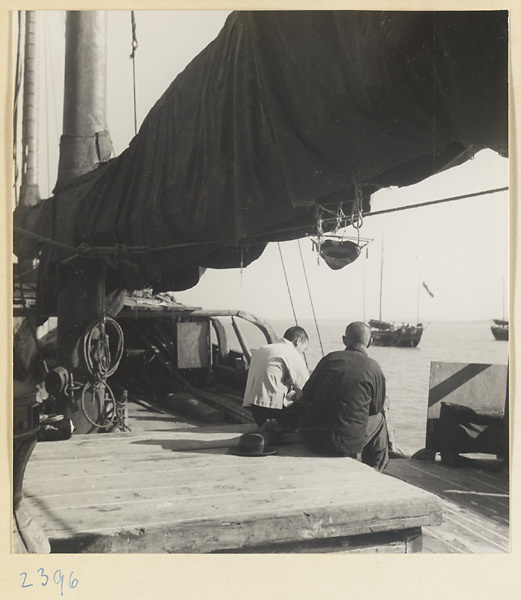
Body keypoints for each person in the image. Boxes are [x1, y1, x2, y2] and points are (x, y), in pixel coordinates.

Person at [299, 321, 389, 471]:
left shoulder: (329, 359)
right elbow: (375, 408)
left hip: (313, 439)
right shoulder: (374, 368)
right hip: (347, 445)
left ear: (344, 340)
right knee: (379, 420)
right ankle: (375, 471)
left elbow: (306, 395)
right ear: (370, 342)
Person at [243, 326, 309, 430]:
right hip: (274, 413)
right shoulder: (292, 353)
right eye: (304, 349)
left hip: (257, 413)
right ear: (298, 341)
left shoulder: (262, 349)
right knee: (310, 406)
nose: (302, 353)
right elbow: (305, 389)